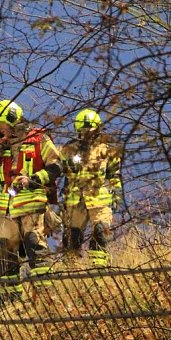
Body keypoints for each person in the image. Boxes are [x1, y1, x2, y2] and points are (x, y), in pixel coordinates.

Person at [0, 99, 62, 300]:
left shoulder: (39, 139)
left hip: (32, 204)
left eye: (0, 124)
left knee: (35, 245)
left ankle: (45, 297)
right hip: (6, 207)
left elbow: (57, 166)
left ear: (12, 119)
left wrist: (33, 179)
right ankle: (11, 300)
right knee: (4, 250)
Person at [60, 109, 122, 268]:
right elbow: (58, 169)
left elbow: (114, 175)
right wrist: (69, 166)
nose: (87, 133)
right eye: (84, 130)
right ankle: (71, 270)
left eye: (91, 129)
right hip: (74, 201)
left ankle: (99, 268)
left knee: (101, 232)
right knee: (72, 239)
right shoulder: (69, 149)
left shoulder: (108, 150)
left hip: (99, 200)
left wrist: (117, 194)